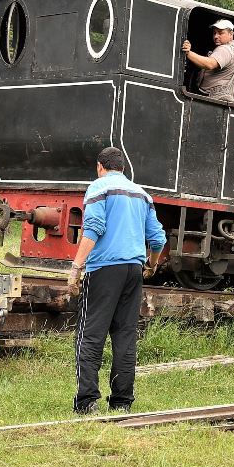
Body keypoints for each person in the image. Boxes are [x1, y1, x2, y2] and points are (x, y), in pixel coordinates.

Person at [66, 147, 167, 414]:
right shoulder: (142, 195)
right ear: (123, 168)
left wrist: (76, 267)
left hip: (104, 270)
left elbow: (94, 228)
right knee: (125, 337)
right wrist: (151, 264)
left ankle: (87, 401)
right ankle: (122, 402)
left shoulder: (99, 188)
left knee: (90, 335)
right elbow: (158, 239)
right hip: (134, 271)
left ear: (100, 166)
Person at [180, 18, 234, 102]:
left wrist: (188, 53)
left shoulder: (225, 49)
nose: (216, 36)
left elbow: (209, 64)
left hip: (216, 100)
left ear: (231, 34)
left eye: (220, 33)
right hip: (219, 99)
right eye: (214, 33)